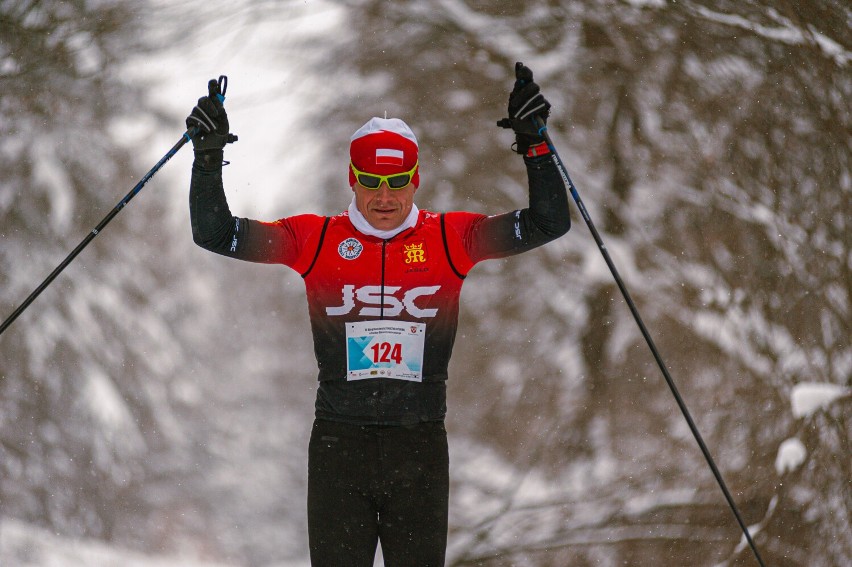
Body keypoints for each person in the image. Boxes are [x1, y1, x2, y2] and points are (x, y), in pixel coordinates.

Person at [185, 62, 570, 566]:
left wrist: (536, 146)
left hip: (420, 447)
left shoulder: (453, 239)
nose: (384, 196)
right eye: (370, 181)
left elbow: (548, 223)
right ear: (352, 177)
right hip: (338, 447)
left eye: (396, 181)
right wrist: (207, 158)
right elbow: (216, 234)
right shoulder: (315, 239)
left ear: (415, 179)